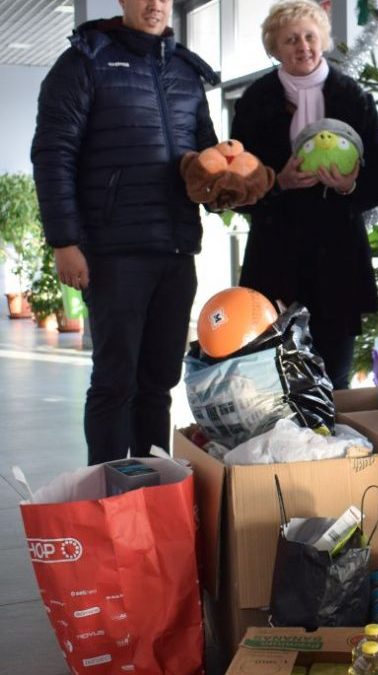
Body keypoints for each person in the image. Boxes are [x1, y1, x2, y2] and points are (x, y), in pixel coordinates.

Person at [31, 0, 219, 465]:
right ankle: (109, 497)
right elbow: (53, 155)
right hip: (113, 253)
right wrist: (64, 241)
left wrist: (229, 184)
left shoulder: (184, 70)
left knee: (158, 384)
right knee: (116, 382)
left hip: (176, 250)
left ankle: (153, 492)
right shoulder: (84, 61)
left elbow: (207, 157)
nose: (154, 4)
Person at [231, 0, 378, 390]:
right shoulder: (255, 101)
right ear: (275, 48)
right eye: (291, 39)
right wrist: (276, 181)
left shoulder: (355, 97)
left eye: (310, 36)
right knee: (273, 374)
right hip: (275, 255)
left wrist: (349, 185)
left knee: (335, 376)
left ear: (323, 39)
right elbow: (238, 183)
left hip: (339, 257)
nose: (303, 46)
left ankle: (335, 449)